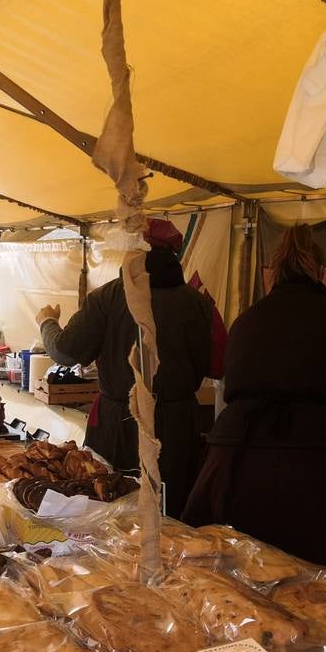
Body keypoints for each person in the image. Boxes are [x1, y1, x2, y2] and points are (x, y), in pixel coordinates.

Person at [182, 224, 326, 572]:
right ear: (322, 274)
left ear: (272, 275)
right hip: (317, 469)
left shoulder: (245, 322)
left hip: (237, 461)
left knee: (236, 576)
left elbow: (227, 398)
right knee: (314, 585)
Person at [36, 220, 213, 518]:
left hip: (120, 423)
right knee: (171, 514)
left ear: (133, 253)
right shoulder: (198, 303)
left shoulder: (109, 297)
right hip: (178, 425)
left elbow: (67, 350)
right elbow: (209, 362)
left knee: (109, 510)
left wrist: (46, 322)